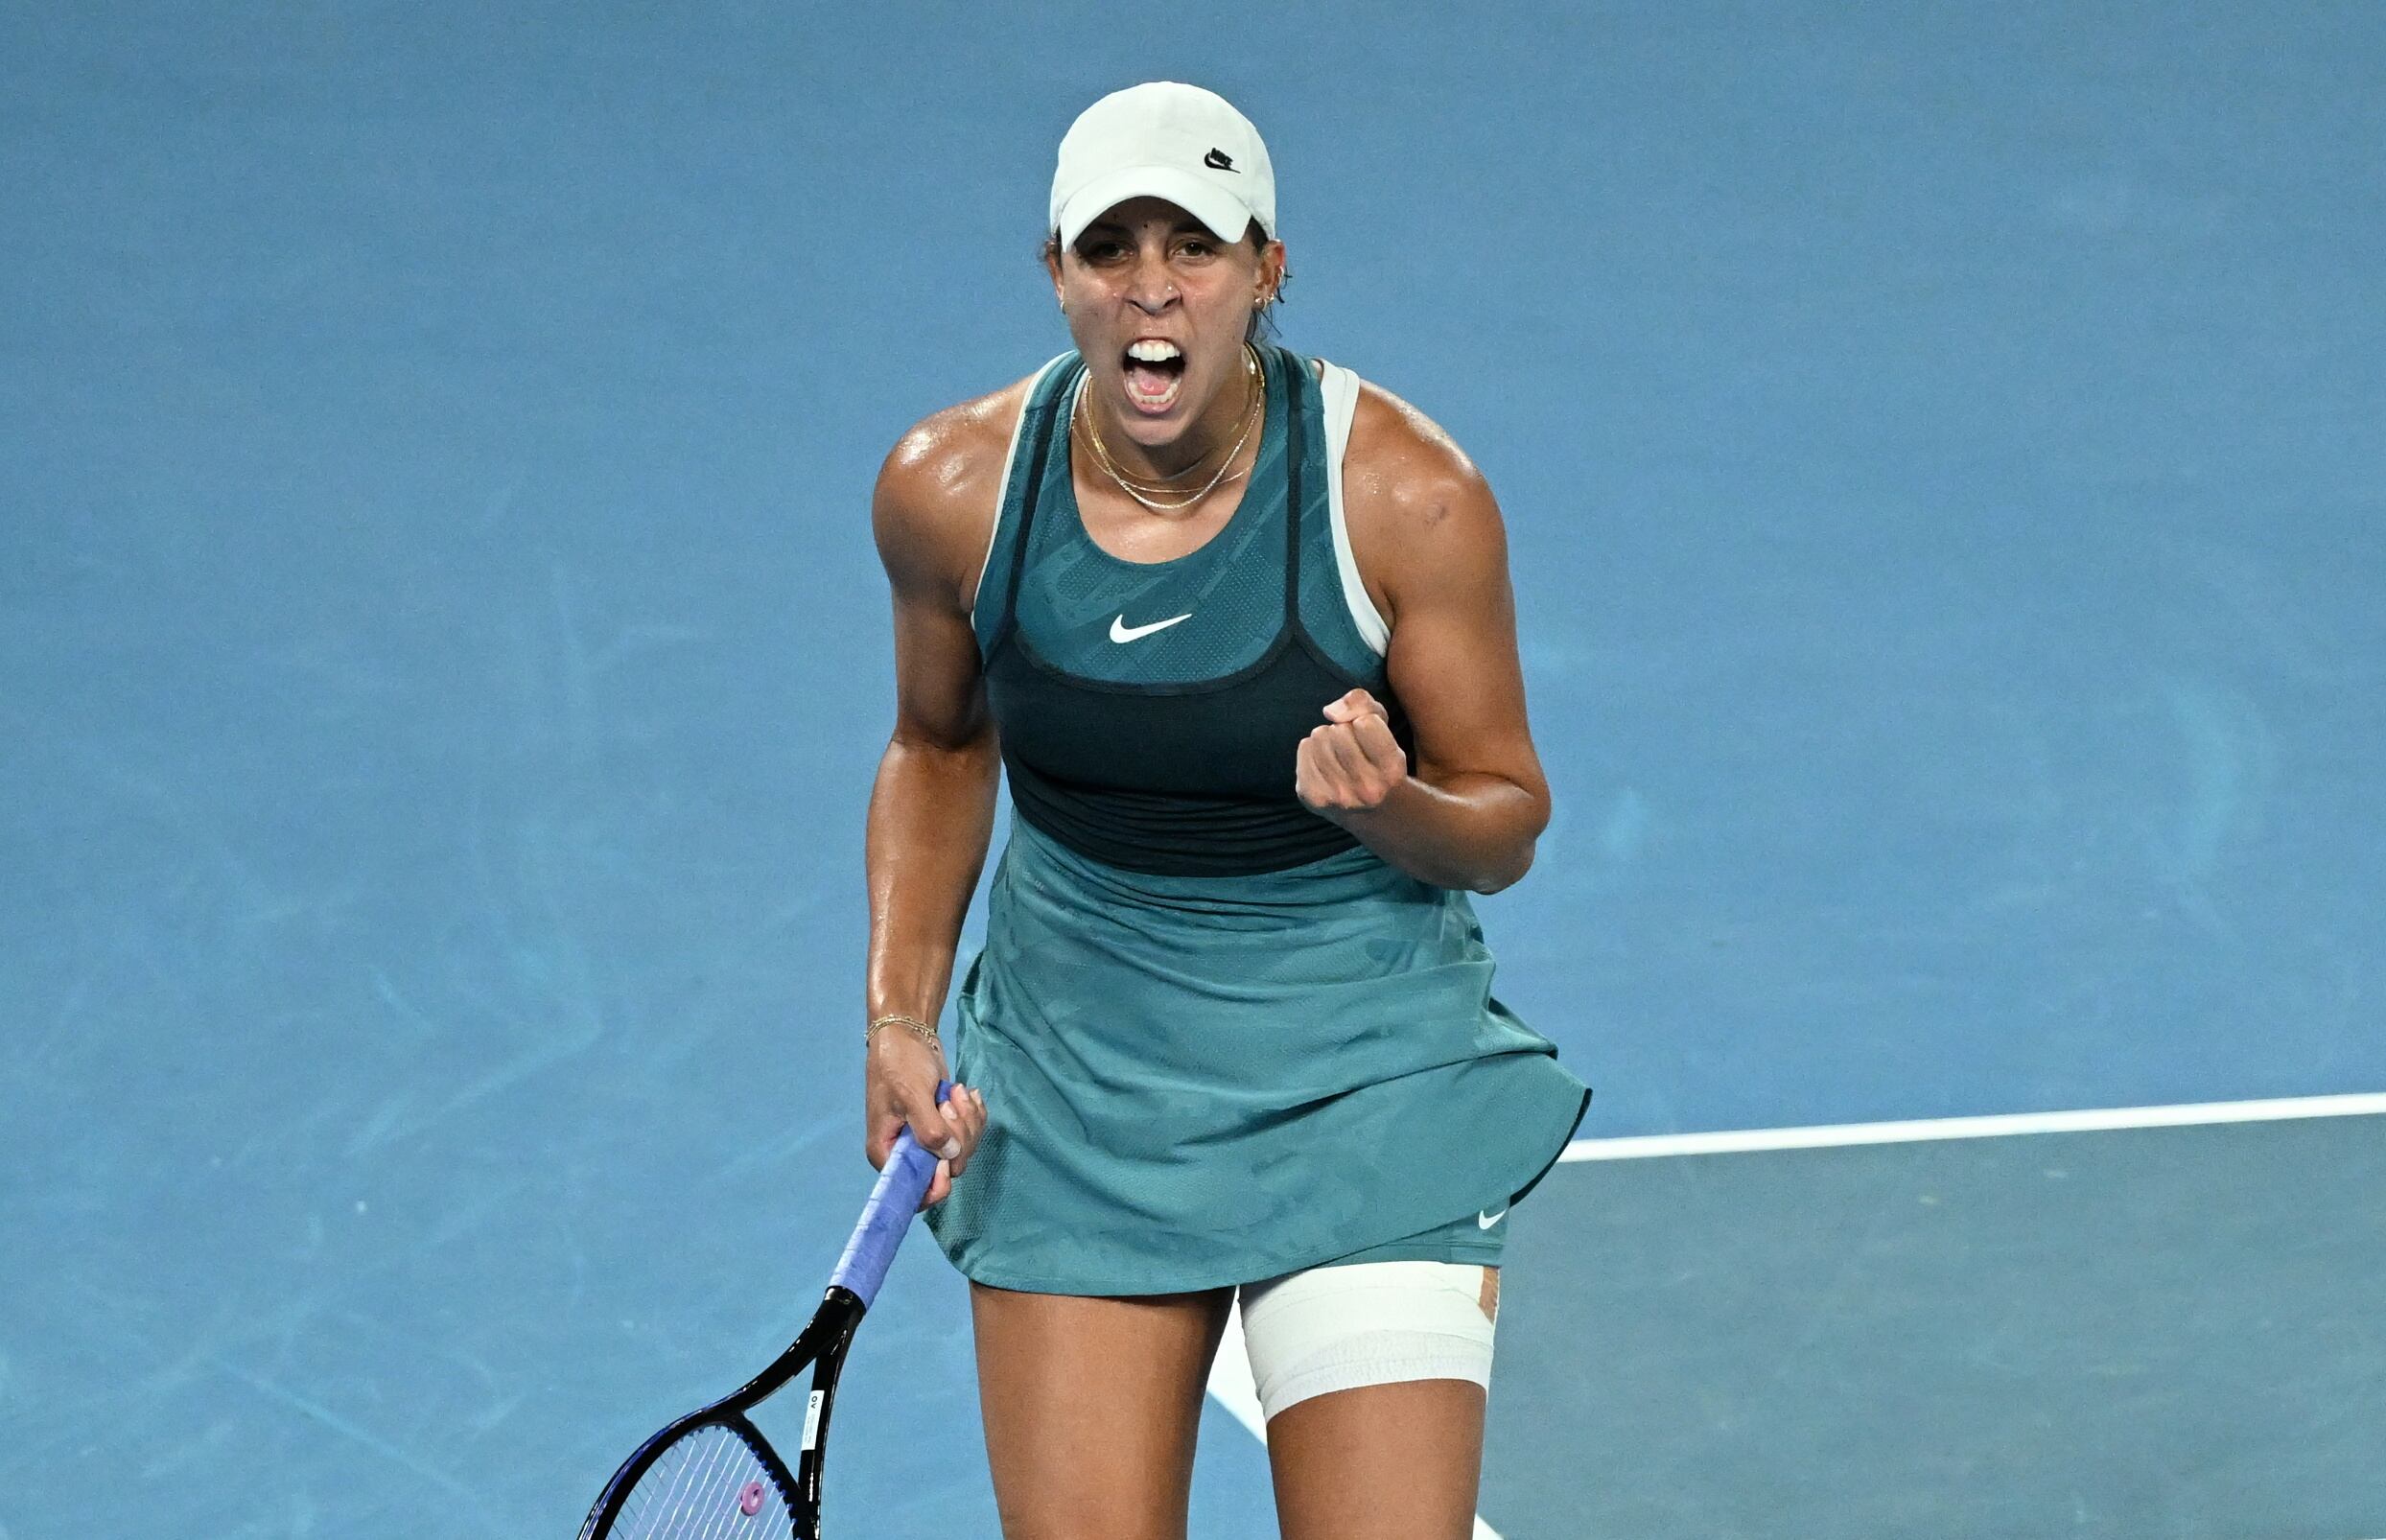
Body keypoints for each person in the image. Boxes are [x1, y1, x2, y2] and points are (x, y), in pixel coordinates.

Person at [861, 81, 1589, 1540]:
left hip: (1360, 1078)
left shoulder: (1403, 496)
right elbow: (939, 747)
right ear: (1055, 271)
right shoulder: (951, 490)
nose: (1150, 290)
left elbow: (1506, 819)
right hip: (1077, 1087)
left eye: (1193, 248)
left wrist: (1390, 808)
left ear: (1267, 270)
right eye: (1109, 248)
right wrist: (899, 1010)